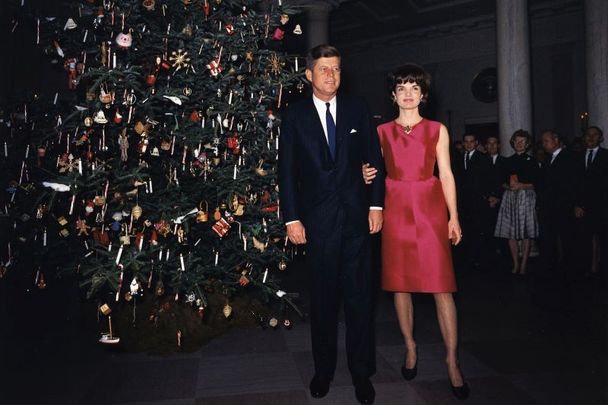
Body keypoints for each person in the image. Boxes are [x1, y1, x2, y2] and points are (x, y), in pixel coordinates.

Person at [278, 44, 385, 405]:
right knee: (322, 302)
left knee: (360, 301)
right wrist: (292, 217)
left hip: (357, 221)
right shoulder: (294, 115)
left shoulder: (358, 108)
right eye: (324, 69)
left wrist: (375, 205)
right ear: (309, 74)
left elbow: (375, 161)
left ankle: (361, 374)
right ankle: (322, 372)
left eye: (336, 69)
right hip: (317, 222)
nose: (331, 75)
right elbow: (286, 172)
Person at [363, 64, 469, 400]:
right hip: (394, 210)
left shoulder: (437, 129)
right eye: (402, 88)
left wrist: (454, 217)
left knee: (442, 288)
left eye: (414, 88)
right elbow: (372, 172)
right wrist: (366, 174)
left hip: (429, 209)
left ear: (423, 95)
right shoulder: (380, 132)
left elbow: (447, 175)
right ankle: (410, 348)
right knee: (400, 285)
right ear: (393, 95)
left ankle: (452, 361)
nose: (408, 93)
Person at [494, 130, 539, 275]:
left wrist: (522, 186)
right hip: (510, 198)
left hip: (526, 198)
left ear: (527, 144)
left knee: (526, 232)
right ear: (513, 143)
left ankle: (524, 264)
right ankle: (515, 263)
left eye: (522, 141)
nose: (519, 144)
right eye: (516, 141)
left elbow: (537, 183)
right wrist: (508, 186)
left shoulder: (532, 161)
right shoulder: (507, 161)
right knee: (510, 233)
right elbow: (501, 182)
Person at [537, 130, 576, 278]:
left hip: (563, 206)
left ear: (556, 140)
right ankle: (551, 269)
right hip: (548, 208)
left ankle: (567, 269)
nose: (544, 145)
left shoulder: (570, 157)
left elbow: (573, 183)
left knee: (566, 239)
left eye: (546, 141)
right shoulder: (548, 160)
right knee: (548, 239)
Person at [573, 126, 608, 276]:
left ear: (601, 138)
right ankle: (588, 268)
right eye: (588, 135)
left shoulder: (606, 156)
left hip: (603, 206)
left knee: (604, 239)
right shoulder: (576, 157)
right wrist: (576, 204)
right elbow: (573, 184)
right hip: (583, 207)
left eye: (595, 135)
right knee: (584, 240)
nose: (591, 138)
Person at [455, 133, 492, 269]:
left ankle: (480, 261)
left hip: (477, 201)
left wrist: (486, 196)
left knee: (479, 231)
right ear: (463, 143)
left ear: (476, 143)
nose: (469, 144)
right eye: (466, 142)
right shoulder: (458, 158)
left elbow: (488, 180)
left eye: (471, 141)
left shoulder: (483, 158)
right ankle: (468, 260)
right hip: (463, 202)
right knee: (466, 230)